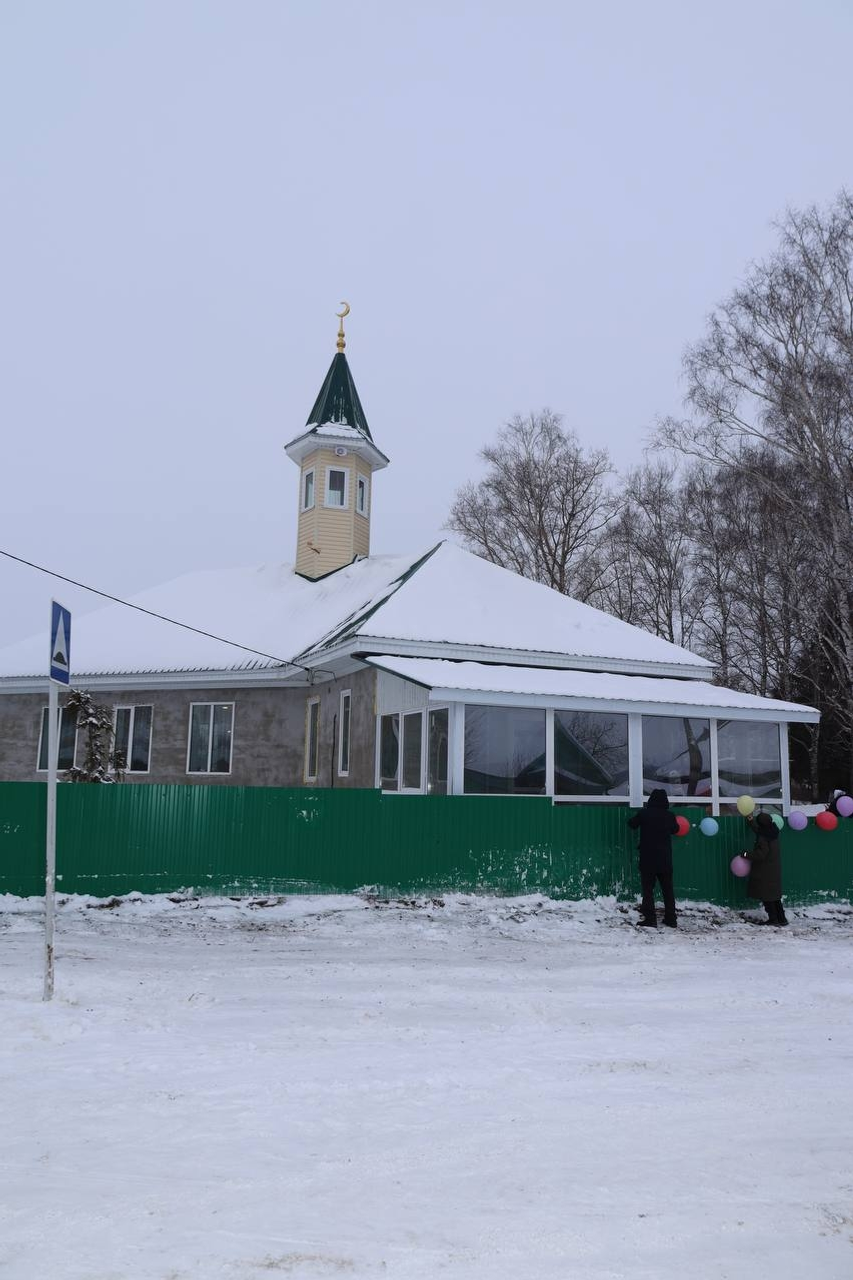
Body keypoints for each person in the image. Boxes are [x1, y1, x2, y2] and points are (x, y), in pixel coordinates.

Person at [627, 789, 679, 928]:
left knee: (648, 890)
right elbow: (675, 829)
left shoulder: (644, 813)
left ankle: (650, 918)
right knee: (668, 889)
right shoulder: (669, 815)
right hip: (665, 859)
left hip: (648, 858)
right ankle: (671, 919)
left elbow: (632, 824)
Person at [744, 811, 787, 926]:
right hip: (773, 869)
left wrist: (746, 854)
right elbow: (760, 831)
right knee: (775, 896)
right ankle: (782, 919)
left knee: (767, 896)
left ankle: (773, 919)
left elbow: (761, 854)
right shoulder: (773, 832)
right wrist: (751, 821)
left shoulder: (763, 838)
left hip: (765, 871)